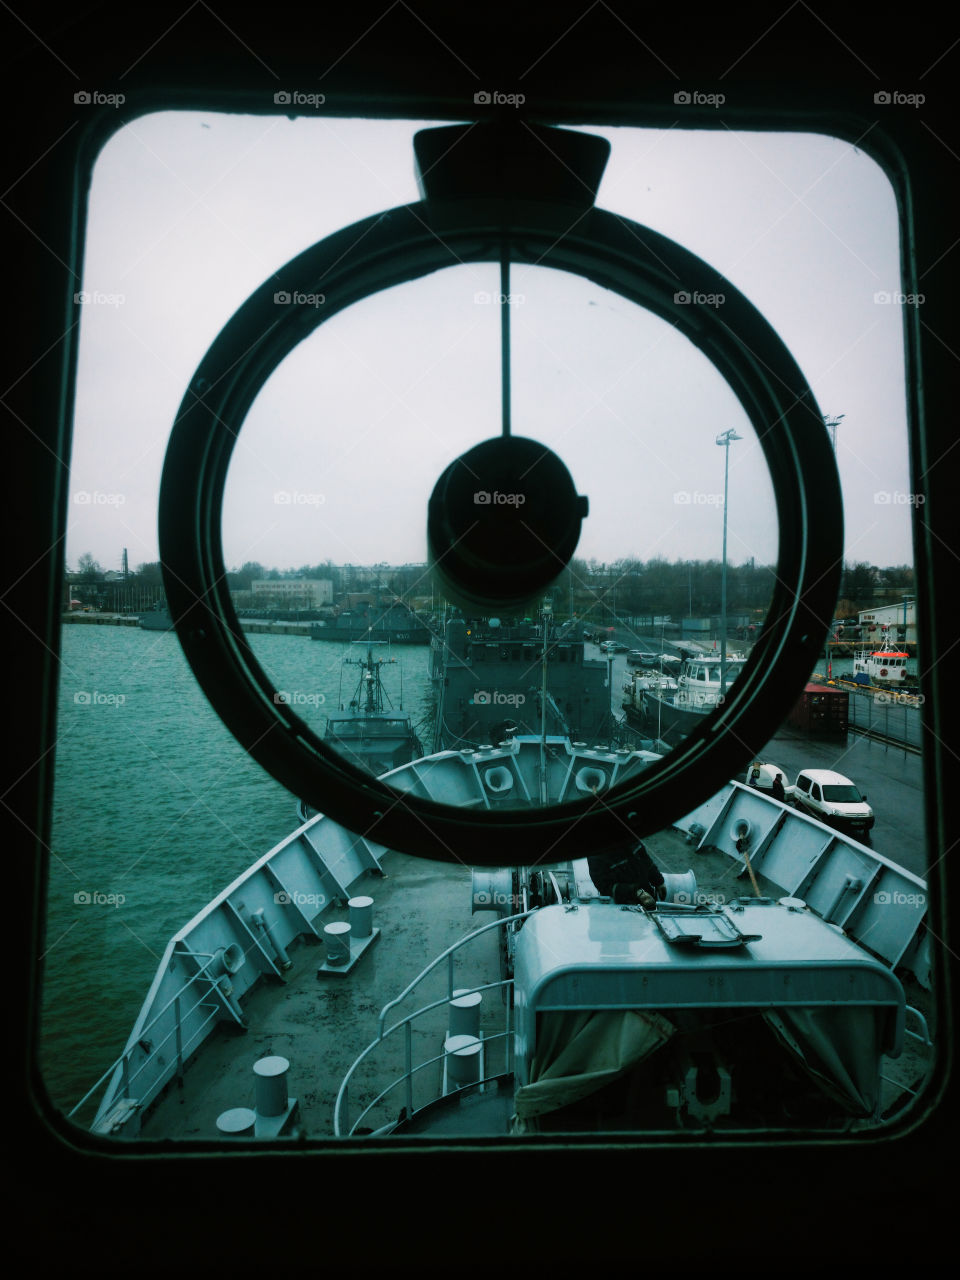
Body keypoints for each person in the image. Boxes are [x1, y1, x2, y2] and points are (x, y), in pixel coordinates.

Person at [587, 840, 666, 907]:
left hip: (648, 896)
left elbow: (646, 860)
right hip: (623, 907)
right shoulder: (596, 853)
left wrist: (659, 881)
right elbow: (604, 887)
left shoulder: (630, 838)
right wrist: (636, 892)